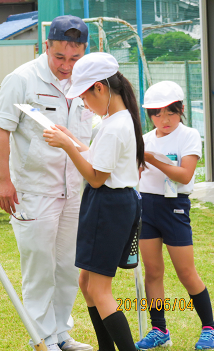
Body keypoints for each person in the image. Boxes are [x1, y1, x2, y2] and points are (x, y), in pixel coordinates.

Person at [0, 15, 93, 351]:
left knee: (67, 265)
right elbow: (3, 130)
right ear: (46, 46)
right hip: (33, 190)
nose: (67, 67)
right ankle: (42, 338)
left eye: (75, 58)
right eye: (60, 57)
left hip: (75, 189)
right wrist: (4, 181)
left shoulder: (85, 81)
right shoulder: (21, 79)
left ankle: (62, 332)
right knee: (39, 265)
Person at [43, 52, 145, 351]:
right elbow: (98, 158)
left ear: (100, 88)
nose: (85, 104)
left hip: (109, 205)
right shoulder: (117, 120)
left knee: (100, 290)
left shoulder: (115, 126)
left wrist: (66, 146)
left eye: (85, 97)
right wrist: (72, 138)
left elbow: (97, 177)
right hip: (110, 203)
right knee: (86, 283)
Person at [135, 81, 214, 350]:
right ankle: (159, 330)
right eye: (156, 113)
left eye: (170, 112)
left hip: (175, 207)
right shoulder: (144, 139)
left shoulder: (189, 135)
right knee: (153, 271)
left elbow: (184, 175)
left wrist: (151, 158)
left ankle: (209, 329)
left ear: (181, 109)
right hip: (146, 206)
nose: (163, 119)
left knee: (186, 271)